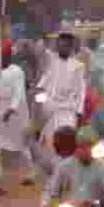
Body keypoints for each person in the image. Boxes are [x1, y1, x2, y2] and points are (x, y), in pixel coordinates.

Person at [36, 32, 87, 170]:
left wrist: (79, 111)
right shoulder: (51, 63)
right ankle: (54, 173)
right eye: (59, 45)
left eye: (65, 46)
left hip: (68, 110)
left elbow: (81, 90)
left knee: (66, 143)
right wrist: (42, 103)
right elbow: (41, 86)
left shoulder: (78, 66)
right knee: (50, 144)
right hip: (51, 109)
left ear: (71, 47)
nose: (62, 48)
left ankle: (66, 172)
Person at [0, 39, 33, 190]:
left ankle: (30, 173)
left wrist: (11, 109)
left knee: (22, 145)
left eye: (3, 56)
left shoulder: (17, 71)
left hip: (16, 115)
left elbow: (19, 92)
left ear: (8, 57)